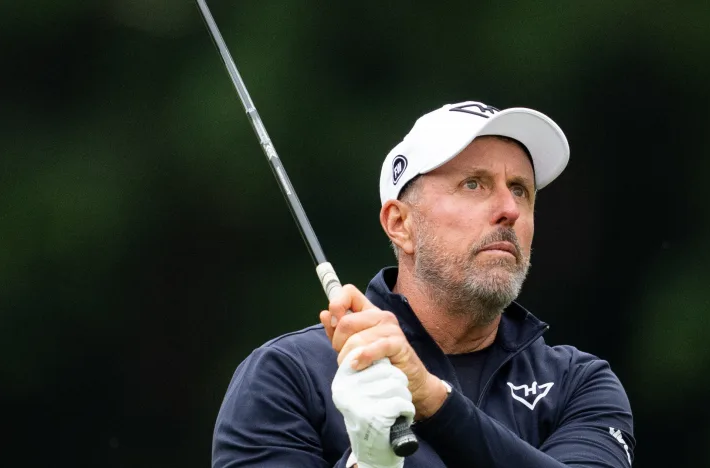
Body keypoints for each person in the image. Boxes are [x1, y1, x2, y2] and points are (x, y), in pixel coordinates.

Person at [212, 101, 635, 468]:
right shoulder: (287, 376)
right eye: (474, 184)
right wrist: (370, 463)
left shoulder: (579, 383)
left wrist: (434, 401)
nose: (509, 209)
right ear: (400, 224)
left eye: (521, 190)